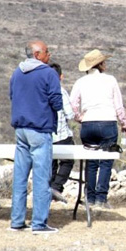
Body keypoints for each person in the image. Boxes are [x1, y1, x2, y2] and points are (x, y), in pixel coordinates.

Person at [9, 40, 62, 234]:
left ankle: (17, 221)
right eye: (47, 52)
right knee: (41, 178)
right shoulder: (48, 73)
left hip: (20, 129)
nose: (50, 55)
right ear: (38, 54)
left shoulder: (17, 73)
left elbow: (11, 95)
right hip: (40, 129)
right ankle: (39, 223)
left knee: (20, 177)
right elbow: (57, 102)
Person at [70, 49, 126, 208]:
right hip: (108, 122)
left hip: (88, 124)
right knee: (106, 162)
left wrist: (80, 117)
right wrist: (124, 124)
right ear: (100, 64)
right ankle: (102, 198)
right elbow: (118, 105)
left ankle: (90, 197)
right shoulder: (110, 80)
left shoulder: (81, 82)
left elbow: (73, 104)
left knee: (91, 162)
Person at [49, 63, 75, 204]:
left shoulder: (42, 90)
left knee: (51, 163)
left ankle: (49, 189)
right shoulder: (61, 91)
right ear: (61, 76)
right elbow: (69, 114)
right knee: (67, 161)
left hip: (47, 135)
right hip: (61, 134)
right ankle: (56, 187)